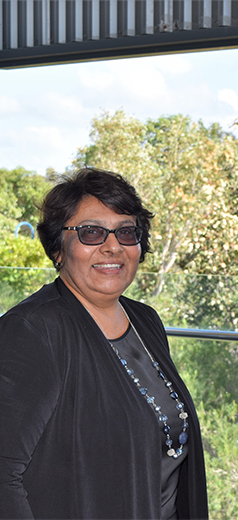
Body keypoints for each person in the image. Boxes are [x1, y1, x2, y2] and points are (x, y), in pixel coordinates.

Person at [0, 168, 208, 519]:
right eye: (91, 232)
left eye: (127, 232)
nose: (113, 246)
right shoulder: (33, 331)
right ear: (58, 249)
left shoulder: (145, 321)